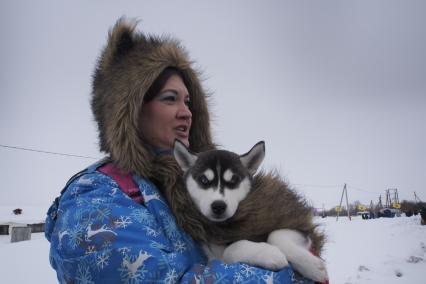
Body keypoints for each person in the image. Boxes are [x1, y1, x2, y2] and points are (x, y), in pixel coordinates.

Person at [45, 17, 316, 283]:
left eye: (188, 101)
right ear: (131, 111)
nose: (187, 113)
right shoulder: (93, 197)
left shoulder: (193, 183)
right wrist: (291, 276)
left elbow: (276, 235)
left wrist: (295, 243)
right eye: (170, 99)